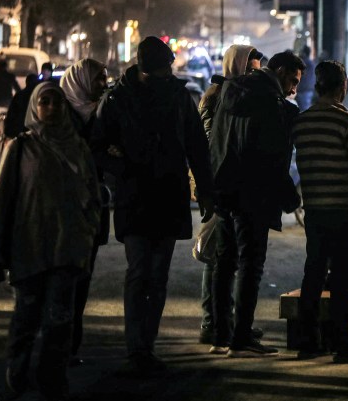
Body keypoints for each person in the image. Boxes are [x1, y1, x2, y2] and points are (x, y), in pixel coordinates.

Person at [91, 36, 215, 375]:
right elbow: (97, 146)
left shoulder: (177, 96)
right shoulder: (118, 98)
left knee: (157, 274)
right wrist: (122, 168)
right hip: (135, 195)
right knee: (139, 271)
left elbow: (196, 146)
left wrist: (205, 191)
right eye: (162, 70)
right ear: (147, 69)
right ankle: (137, 347)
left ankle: (146, 344)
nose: (167, 74)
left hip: (169, 193)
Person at [0, 82, 100, 401]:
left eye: (56, 102)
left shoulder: (78, 148)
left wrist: (87, 233)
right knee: (26, 317)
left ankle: (52, 378)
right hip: (28, 248)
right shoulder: (20, 148)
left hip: (67, 250)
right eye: (44, 102)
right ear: (35, 106)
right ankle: (18, 371)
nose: (51, 108)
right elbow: (1, 198)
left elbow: (93, 196)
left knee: (60, 321)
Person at [209, 50, 304, 357]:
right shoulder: (271, 104)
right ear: (277, 71)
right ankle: (241, 339)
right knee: (251, 264)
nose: (293, 88)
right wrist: (292, 199)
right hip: (254, 196)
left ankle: (221, 334)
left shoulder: (230, 91)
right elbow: (272, 159)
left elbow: (217, 141)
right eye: (292, 80)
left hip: (225, 191)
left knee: (225, 264)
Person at [292, 61, 348, 362]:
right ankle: (343, 343)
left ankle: (307, 341)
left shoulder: (302, 123)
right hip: (344, 210)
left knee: (313, 274)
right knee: (342, 278)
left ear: (316, 87)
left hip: (315, 209)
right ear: (343, 87)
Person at [197, 44, 263, 353]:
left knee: (225, 258)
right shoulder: (217, 95)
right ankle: (214, 323)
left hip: (224, 184)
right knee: (218, 258)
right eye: (250, 68)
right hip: (220, 183)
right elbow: (209, 142)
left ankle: (225, 324)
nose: (255, 74)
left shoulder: (239, 95)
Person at [59, 58, 110, 364]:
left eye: (105, 78)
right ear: (81, 81)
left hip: (90, 209)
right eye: (98, 79)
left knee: (82, 277)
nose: (103, 84)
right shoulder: (57, 111)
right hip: (61, 210)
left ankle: (70, 347)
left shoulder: (101, 113)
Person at [3, 73, 40, 139]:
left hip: (20, 131)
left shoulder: (19, 95)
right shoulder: (40, 95)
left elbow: (11, 113)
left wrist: (8, 131)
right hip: (37, 131)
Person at [295, 45, 315, 110]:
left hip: (304, 90)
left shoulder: (305, 63)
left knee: (304, 110)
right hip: (307, 90)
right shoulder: (311, 63)